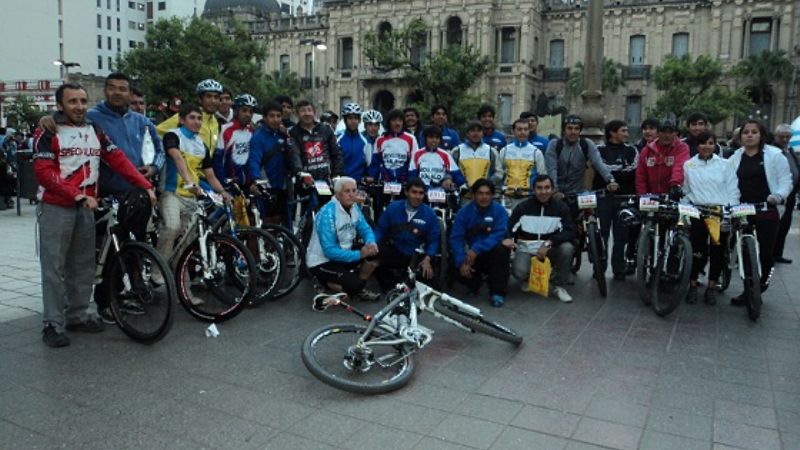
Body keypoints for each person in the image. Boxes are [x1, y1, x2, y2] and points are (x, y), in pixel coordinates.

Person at [32, 83, 156, 347]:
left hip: (86, 207)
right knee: (54, 269)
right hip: (56, 207)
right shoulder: (47, 131)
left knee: (83, 266)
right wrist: (76, 195)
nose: (79, 106)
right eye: (72, 101)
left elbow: (119, 159)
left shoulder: (94, 129)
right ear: (59, 105)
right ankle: (52, 324)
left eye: (83, 101)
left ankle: (77, 315)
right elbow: (44, 172)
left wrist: (145, 185)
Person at [155, 103, 233, 269]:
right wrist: (189, 181)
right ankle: (158, 270)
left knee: (187, 243)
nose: (197, 122)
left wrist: (223, 192)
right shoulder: (172, 136)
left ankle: (181, 283)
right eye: (192, 117)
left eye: (199, 118)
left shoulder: (201, 145)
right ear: (182, 120)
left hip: (191, 198)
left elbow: (210, 175)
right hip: (171, 194)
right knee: (172, 228)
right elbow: (177, 158)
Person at [728, 120, 792, 305]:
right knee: (745, 253)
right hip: (742, 209)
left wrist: (778, 196)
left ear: (761, 135)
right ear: (740, 137)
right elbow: (729, 183)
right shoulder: (734, 158)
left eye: (754, 132)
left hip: (767, 208)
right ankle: (748, 289)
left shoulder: (775, 156)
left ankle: (762, 282)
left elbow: (785, 180)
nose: (749, 135)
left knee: (766, 253)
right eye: (746, 132)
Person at [682, 131, 740, 305]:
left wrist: (730, 210)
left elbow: (733, 189)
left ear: (715, 145)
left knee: (717, 252)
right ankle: (692, 285)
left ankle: (711, 287)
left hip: (719, 212)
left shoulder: (725, 164)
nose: (706, 146)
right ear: (697, 145)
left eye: (710, 143)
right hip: (698, 211)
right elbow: (685, 190)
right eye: (702, 143)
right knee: (697, 251)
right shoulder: (688, 165)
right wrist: (686, 209)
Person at [306, 176, 381, 301]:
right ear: (337, 194)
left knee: (377, 253)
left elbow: (365, 229)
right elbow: (329, 251)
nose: (352, 195)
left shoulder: (354, 207)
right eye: (347, 191)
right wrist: (359, 255)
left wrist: (371, 243)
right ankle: (323, 281)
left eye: (354, 191)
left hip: (344, 252)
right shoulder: (327, 214)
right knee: (352, 287)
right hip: (322, 261)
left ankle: (354, 286)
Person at [505, 174, 575, 302]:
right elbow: (509, 227)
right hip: (526, 250)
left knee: (567, 248)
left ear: (552, 189)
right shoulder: (523, 207)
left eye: (547, 188)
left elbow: (569, 231)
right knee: (519, 270)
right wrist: (508, 238)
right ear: (534, 190)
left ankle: (557, 286)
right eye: (539, 188)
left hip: (549, 249)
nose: (543, 192)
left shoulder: (561, 208)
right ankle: (530, 278)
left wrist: (549, 242)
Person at [450, 178, 510, 307]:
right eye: (480, 193)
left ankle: (497, 292)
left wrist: (477, 249)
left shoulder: (500, 211)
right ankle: (474, 283)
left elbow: (499, 233)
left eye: (487, 194)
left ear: (492, 196)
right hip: (470, 257)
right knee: (452, 261)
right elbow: (456, 238)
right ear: (473, 195)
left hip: (490, 253)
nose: (484, 197)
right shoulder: (463, 213)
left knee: (501, 249)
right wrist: (461, 262)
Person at [373, 178, 440, 291]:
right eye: (414, 192)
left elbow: (434, 240)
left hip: (416, 255)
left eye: (421, 193)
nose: (417, 196)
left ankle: (405, 283)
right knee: (375, 256)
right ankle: (395, 286)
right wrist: (372, 244)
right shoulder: (393, 208)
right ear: (406, 192)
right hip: (396, 250)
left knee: (427, 279)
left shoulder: (430, 214)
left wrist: (428, 258)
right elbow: (380, 229)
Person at [594, 120, 638, 280]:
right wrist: (614, 176)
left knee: (622, 236)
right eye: (623, 131)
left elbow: (632, 171)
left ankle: (619, 268)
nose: (627, 134)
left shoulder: (632, 151)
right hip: (603, 198)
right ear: (612, 133)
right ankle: (599, 267)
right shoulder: (599, 150)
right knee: (601, 234)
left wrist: (611, 178)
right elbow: (600, 168)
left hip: (624, 198)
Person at [247, 101, 302, 225]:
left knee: (280, 223)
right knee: (265, 224)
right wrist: (255, 180)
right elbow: (254, 160)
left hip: (282, 187)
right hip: (265, 187)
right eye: (272, 116)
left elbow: (293, 155)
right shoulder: (258, 137)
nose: (275, 119)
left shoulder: (283, 135)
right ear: (265, 118)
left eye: (278, 116)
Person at [545, 114, 617, 203]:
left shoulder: (586, 144)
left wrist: (610, 180)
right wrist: (555, 191)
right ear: (564, 130)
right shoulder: (555, 144)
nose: (573, 132)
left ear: (580, 131)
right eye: (569, 128)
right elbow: (551, 169)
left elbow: (599, 163)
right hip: (555, 194)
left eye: (576, 129)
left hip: (577, 193)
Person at [157, 79, 223, 153]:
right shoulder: (188, 115)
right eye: (208, 96)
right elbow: (156, 132)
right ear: (200, 99)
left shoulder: (215, 122)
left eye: (216, 97)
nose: (213, 101)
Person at [288, 100, 343, 184]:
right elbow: (294, 155)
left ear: (314, 112)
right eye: (303, 111)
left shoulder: (326, 129)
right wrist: (300, 172)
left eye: (309, 110)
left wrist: (336, 174)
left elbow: (337, 153)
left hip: (327, 181)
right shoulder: (293, 133)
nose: (307, 113)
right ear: (297, 114)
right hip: (305, 182)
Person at [497, 118, 547, 210]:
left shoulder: (536, 152)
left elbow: (542, 176)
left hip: (528, 198)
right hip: (507, 198)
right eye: (519, 129)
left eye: (525, 129)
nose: (522, 132)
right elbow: (498, 173)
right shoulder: (505, 150)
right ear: (513, 131)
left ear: (529, 131)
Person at [635, 118, 690, 197]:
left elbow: (679, 166)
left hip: (673, 194)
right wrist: (641, 196)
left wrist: (675, 184)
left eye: (670, 132)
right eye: (663, 132)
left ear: (675, 133)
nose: (666, 135)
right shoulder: (647, 150)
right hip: (650, 197)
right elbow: (641, 175)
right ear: (658, 133)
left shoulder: (681, 147)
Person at [214, 93, 258, 185]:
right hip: (230, 184)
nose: (248, 114)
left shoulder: (251, 131)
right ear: (236, 111)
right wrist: (223, 183)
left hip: (248, 184)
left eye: (251, 111)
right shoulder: (225, 130)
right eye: (244, 110)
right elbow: (218, 160)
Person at [772, 123, 800, 264]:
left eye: (787, 137)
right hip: (778, 193)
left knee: (785, 224)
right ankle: (770, 253)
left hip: (791, 193)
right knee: (776, 225)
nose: (784, 139)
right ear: (776, 136)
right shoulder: (772, 150)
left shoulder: (789, 150)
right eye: (781, 136)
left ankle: (778, 253)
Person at [408, 125, 466, 190]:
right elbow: (411, 176)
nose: (434, 140)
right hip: (422, 192)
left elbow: (457, 175)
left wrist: (450, 181)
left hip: (441, 191)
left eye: (437, 138)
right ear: (425, 139)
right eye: (431, 137)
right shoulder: (417, 154)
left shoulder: (445, 155)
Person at [451, 120, 503, 190]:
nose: (476, 133)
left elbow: (499, 173)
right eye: (472, 130)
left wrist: (488, 184)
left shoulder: (491, 151)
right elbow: (450, 171)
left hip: (484, 194)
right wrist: (461, 184)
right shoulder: (457, 151)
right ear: (467, 133)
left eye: (479, 131)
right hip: (463, 194)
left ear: (482, 133)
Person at [337, 102, 371, 183]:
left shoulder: (365, 141)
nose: (353, 121)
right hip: (342, 182)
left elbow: (368, 163)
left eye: (356, 118)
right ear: (345, 120)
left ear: (359, 120)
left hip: (359, 183)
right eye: (350, 118)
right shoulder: (338, 140)